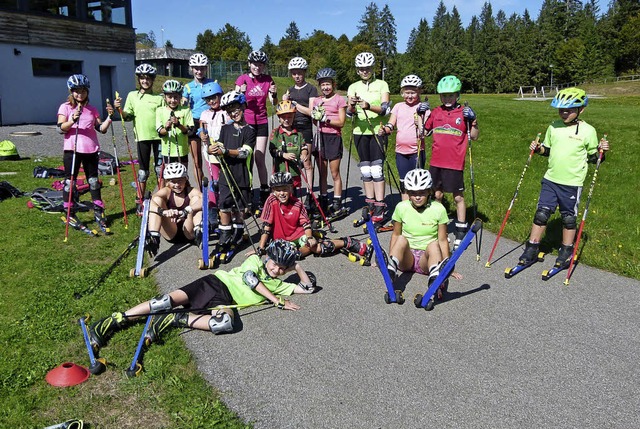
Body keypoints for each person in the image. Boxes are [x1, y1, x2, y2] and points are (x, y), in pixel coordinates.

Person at [88, 240, 317, 349]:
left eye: (281, 269)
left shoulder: (278, 283)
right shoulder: (255, 260)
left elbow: (308, 288)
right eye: (275, 264)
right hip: (215, 283)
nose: (276, 270)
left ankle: (175, 319)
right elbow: (250, 280)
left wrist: (296, 266)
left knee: (224, 323)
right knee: (164, 301)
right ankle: (114, 320)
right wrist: (276, 301)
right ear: (269, 258)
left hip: (225, 301)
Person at [518, 87, 609, 266]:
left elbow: (593, 157)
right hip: (551, 179)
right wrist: (538, 149)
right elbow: (547, 150)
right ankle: (532, 247)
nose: (564, 113)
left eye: (568, 110)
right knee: (541, 214)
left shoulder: (588, 130)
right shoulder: (553, 126)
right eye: (561, 110)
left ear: (580, 110)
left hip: (572, 182)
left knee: (568, 218)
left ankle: (566, 250)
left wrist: (601, 152)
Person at [420, 75, 479, 250]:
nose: (447, 99)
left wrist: (473, 120)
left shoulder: (464, 113)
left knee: (458, 197)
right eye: (444, 96)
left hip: (454, 163)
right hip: (436, 161)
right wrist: (420, 114)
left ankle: (461, 228)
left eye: (451, 95)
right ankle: (438, 226)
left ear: (458, 95)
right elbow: (423, 132)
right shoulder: (436, 112)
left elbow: (474, 136)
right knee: (436, 195)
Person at [385, 169, 461, 299]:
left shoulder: (438, 209)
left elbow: (442, 240)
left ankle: (435, 278)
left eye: (422, 193)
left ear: (429, 192)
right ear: (408, 193)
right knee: (402, 238)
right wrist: (390, 256)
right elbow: (396, 236)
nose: (418, 197)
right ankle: (390, 268)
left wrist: (448, 266)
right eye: (414, 193)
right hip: (406, 257)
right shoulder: (401, 207)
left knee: (434, 244)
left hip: (427, 259)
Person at [258, 172, 370, 259]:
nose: (281, 193)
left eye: (285, 189)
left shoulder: (297, 204)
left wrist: (310, 238)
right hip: (282, 239)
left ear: (291, 188)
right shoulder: (271, 201)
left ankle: (347, 242)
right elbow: (266, 226)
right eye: (278, 190)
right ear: (273, 191)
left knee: (316, 248)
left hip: (298, 234)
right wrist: (261, 248)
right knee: (286, 256)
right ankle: (299, 251)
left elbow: (306, 223)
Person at [57, 74, 115, 234]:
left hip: (90, 149)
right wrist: (72, 120)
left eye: (82, 91)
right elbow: (61, 128)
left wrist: (110, 117)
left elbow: (101, 129)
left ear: (87, 92)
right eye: (76, 91)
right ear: (71, 91)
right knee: (70, 182)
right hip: (72, 149)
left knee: (94, 181)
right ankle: (69, 212)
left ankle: (98, 210)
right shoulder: (65, 107)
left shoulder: (92, 109)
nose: (79, 94)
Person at [208, 91, 256, 254]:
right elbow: (219, 146)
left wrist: (226, 151)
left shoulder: (249, 130)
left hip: (242, 175)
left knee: (239, 207)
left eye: (236, 109)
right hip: (226, 175)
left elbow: (245, 153)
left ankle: (238, 231)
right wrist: (212, 148)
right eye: (229, 111)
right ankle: (225, 234)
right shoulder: (225, 128)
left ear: (243, 106)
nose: (233, 113)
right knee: (224, 206)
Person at [346, 52, 391, 223]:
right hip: (359, 131)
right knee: (366, 169)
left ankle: (380, 205)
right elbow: (350, 114)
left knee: (377, 169)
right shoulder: (353, 87)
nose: (365, 71)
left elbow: (386, 109)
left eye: (368, 68)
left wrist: (369, 106)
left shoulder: (382, 84)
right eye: (361, 69)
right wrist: (351, 106)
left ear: (373, 68)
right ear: (357, 70)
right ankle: (370, 203)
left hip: (377, 131)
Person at [115, 64, 164, 212]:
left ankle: (161, 198)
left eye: (148, 78)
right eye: (142, 78)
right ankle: (139, 200)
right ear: (139, 79)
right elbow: (128, 116)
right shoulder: (132, 96)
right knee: (143, 171)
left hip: (159, 137)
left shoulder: (159, 98)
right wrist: (119, 109)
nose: (145, 81)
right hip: (142, 137)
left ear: (153, 80)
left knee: (159, 169)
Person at [235, 50, 277, 209]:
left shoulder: (268, 80)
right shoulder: (242, 79)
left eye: (260, 64)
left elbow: (274, 102)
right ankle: (248, 189)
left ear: (264, 66)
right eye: (254, 64)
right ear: (249, 64)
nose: (257, 67)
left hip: (262, 121)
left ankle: (265, 190)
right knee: (248, 157)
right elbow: (235, 99)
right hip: (246, 122)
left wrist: (274, 94)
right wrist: (241, 91)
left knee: (259, 157)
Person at [379, 74, 427, 200]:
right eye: (407, 93)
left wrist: (421, 121)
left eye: (413, 92)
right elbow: (391, 124)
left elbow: (426, 131)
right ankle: (406, 210)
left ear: (419, 91)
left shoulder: (422, 108)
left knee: (417, 183)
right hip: (400, 151)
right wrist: (385, 129)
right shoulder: (398, 106)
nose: (409, 96)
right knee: (404, 182)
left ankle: (418, 210)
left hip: (416, 151)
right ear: (402, 92)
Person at [309, 68, 347, 217]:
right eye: (323, 84)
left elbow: (342, 122)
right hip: (320, 137)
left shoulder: (339, 99)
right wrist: (315, 117)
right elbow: (314, 121)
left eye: (328, 84)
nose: (326, 87)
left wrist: (326, 119)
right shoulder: (317, 101)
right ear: (319, 85)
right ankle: (324, 199)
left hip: (333, 138)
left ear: (333, 84)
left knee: (334, 172)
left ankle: (337, 201)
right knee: (322, 172)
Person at [145, 162, 203, 256]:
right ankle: (154, 237)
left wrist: (187, 210)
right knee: (156, 200)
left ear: (185, 179)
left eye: (180, 180)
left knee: (197, 199)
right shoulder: (166, 191)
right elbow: (148, 203)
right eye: (173, 181)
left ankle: (198, 231)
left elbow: (205, 200)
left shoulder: (191, 191)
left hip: (189, 232)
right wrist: (163, 212)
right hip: (171, 232)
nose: (177, 185)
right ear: (167, 182)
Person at [283, 57, 317, 206]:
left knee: (306, 161)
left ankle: (310, 193)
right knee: (292, 161)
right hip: (292, 127)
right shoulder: (289, 90)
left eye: (300, 73)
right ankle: (293, 190)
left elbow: (311, 111)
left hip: (305, 126)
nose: (297, 76)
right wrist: (284, 100)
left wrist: (295, 104)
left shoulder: (311, 89)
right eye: (294, 73)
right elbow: (284, 110)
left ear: (304, 73)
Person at [198, 81, 228, 230]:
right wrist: (202, 134)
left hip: (224, 151)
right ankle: (212, 211)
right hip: (210, 152)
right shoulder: (205, 113)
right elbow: (201, 128)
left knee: (226, 181)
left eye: (214, 97)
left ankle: (226, 208)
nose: (212, 101)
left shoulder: (226, 112)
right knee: (214, 182)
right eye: (208, 99)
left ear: (220, 96)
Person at [182, 53, 214, 188]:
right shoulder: (188, 87)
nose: (199, 71)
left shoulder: (212, 83)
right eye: (196, 68)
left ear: (206, 68)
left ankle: (216, 185)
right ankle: (201, 190)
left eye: (202, 68)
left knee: (212, 155)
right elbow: (182, 104)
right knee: (196, 160)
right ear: (192, 69)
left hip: (209, 121)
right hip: (194, 122)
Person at [268, 100, 308, 192]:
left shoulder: (298, 133)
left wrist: (304, 154)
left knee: (293, 194)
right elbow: (272, 150)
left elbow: (304, 146)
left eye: (289, 117)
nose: (286, 119)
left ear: (294, 117)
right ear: (279, 118)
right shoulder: (276, 132)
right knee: (281, 194)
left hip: (294, 170)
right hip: (281, 171)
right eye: (283, 117)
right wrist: (284, 155)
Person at [156, 80, 194, 169]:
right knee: (169, 179)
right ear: (165, 97)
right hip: (167, 152)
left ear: (180, 97)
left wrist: (178, 125)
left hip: (182, 151)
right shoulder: (160, 111)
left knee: (183, 177)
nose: (173, 100)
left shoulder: (185, 110)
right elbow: (160, 132)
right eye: (170, 97)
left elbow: (189, 130)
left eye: (176, 97)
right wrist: (166, 128)